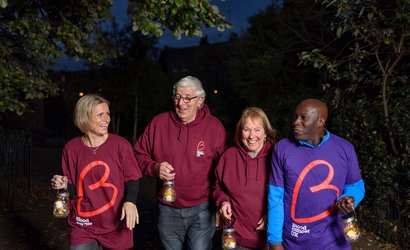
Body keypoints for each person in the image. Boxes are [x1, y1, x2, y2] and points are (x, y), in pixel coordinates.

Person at [133, 76, 227, 250]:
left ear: (200, 100)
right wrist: (155, 167)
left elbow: (224, 172)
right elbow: (137, 156)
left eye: (187, 98)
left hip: (203, 208)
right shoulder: (158, 124)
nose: (181, 103)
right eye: (177, 97)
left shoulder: (214, 128)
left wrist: (222, 203)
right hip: (167, 208)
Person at [267, 99, 365, 250]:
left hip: (334, 242)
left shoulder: (345, 148)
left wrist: (351, 198)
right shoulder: (282, 149)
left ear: (320, 121)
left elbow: (355, 185)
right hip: (294, 242)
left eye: (303, 117)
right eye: (295, 117)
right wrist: (275, 242)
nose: (295, 122)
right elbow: (276, 198)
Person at [51, 94, 142, 250]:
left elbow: (132, 179)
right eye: (100, 115)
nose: (106, 119)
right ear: (85, 117)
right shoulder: (71, 148)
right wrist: (63, 185)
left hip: (115, 223)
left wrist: (130, 201)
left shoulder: (120, 145)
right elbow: (74, 189)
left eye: (107, 114)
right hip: (83, 223)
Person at [213, 107, 276, 249]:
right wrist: (223, 202)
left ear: (266, 132)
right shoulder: (228, 157)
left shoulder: (276, 157)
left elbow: (289, 193)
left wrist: (273, 215)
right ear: (240, 132)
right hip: (235, 237)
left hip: (269, 238)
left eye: (257, 129)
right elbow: (217, 187)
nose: (251, 135)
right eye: (246, 129)